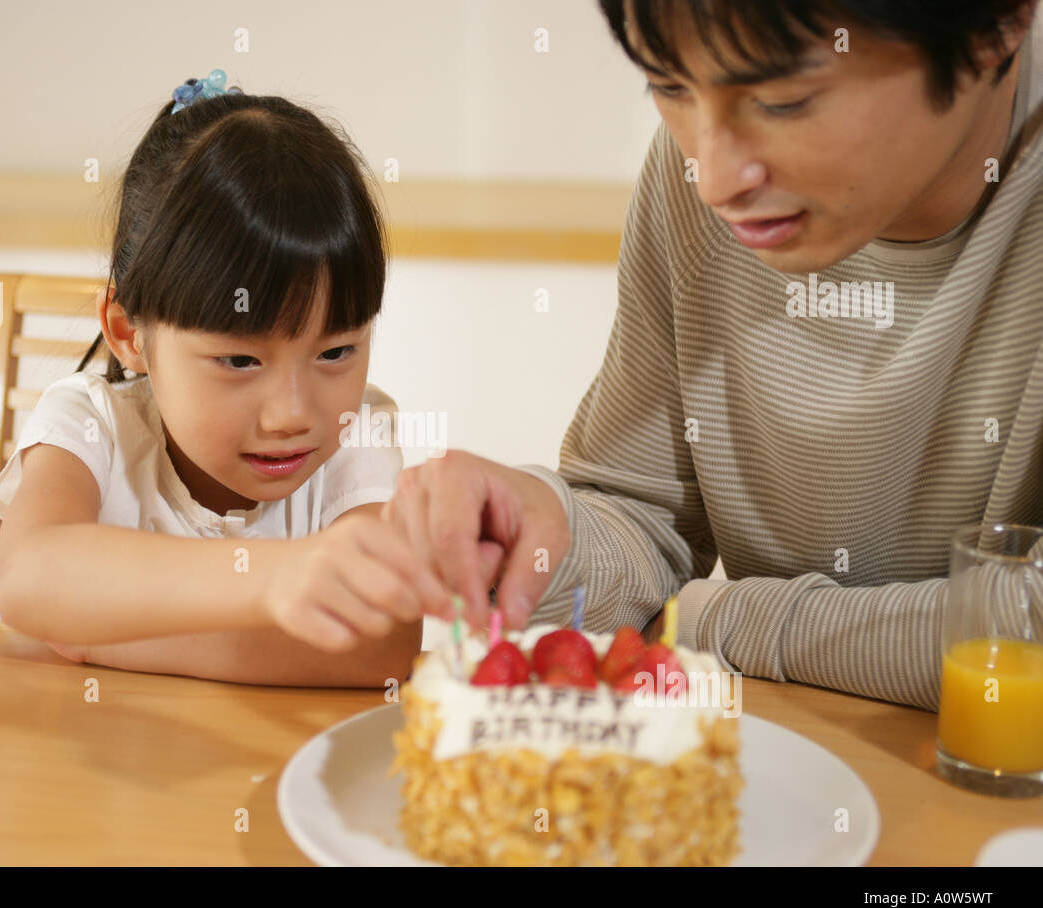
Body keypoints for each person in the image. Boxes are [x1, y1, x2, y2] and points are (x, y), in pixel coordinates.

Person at [383, 1, 1043, 711]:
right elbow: (644, 519)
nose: (714, 180)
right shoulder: (693, 177)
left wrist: (719, 620)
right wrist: (539, 531)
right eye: (669, 87)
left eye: (781, 101)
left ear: (997, 27)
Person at [0, 73, 452, 687]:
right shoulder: (90, 423)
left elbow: (379, 649)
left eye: (336, 351)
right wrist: (284, 578)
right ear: (129, 334)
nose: (293, 414)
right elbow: (29, 578)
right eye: (239, 361)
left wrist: (95, 633)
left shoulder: (358, 433)